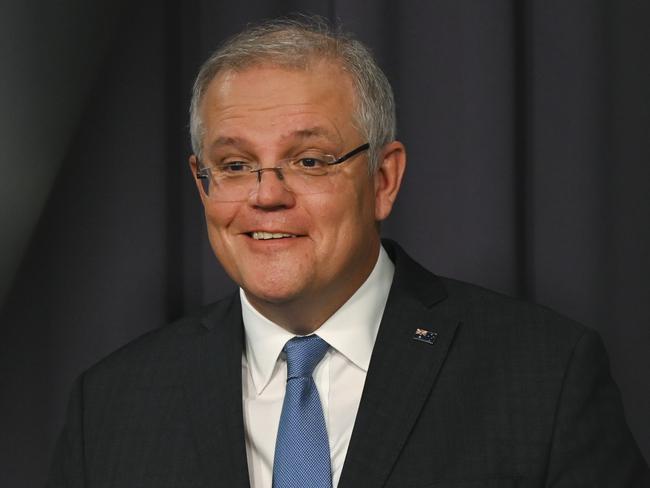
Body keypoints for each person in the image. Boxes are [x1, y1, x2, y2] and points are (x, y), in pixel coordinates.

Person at [48, 17, 648, 488]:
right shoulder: (111, 406)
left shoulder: (545, 374)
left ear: (383, 180)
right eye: (234, 166)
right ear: (201, 182)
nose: (266, 196)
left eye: (309, 161)